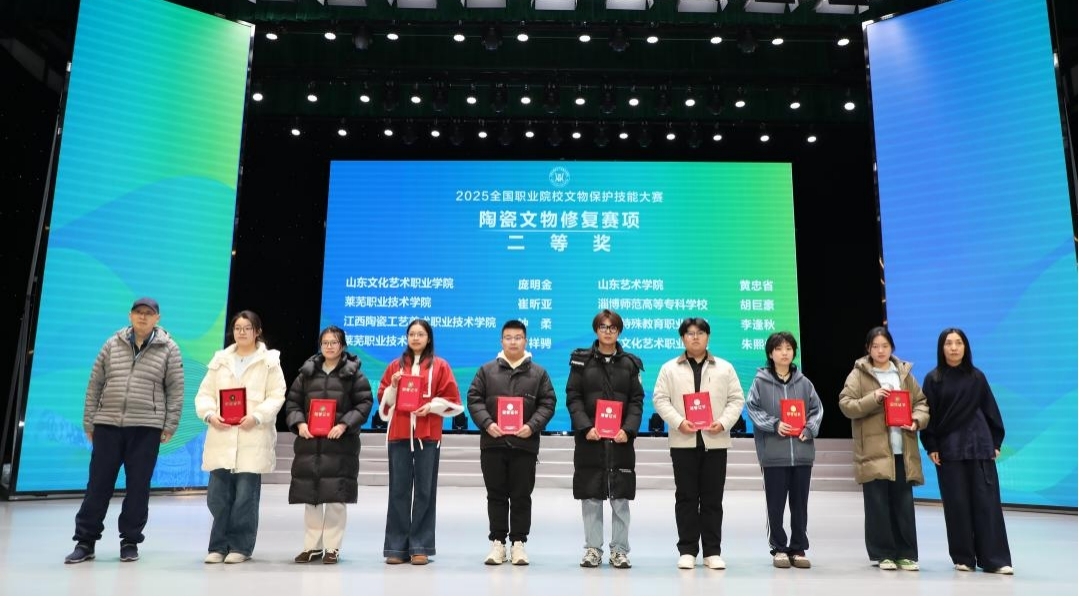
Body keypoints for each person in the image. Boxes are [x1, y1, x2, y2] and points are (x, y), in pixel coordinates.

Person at [65, 297, 184, 564]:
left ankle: (130, 541)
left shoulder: (169, 348)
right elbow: (94, 384)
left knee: (138, 487)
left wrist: (170, 425)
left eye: (148, 313)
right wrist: (89, 422)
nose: (143, 317)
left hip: (146, 428)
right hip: (108, 425)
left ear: (157, 318)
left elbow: (175, 390)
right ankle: (85, 541)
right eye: (138, 312)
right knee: (98, 485)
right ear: (130, 315)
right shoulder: (112, 343)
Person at [652, 317, 746, 570]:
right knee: (686, 498)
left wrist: (723, 423)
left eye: (700, 333)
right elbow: (660, 399)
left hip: (715, 441)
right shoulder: (669, 368)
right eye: (690, 333)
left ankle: (712, 551)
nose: (695, 337)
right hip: (683, 441)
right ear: (682, 338)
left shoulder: (724, 368)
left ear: (708, 337)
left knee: (713, 499)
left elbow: (736, 399)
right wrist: (679, 421)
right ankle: (687, 550)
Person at [194, 310, 287, 564]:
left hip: (252, 436)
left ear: (257, 331)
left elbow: (277, 395)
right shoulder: (220, 360)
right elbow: (204, 394)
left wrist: (257, 416)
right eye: (238, 328)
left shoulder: (269, 361)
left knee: (245, 497)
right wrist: (210, 415)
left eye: (247, 328)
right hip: (222, 436)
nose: (242, 332)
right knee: (217, 496)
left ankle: (240, 546)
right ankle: (218, 546)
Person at [919, 328, 1013, 575]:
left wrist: (995, 442)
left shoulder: (977, 377)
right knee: (957, 505)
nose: (953, 348)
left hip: (980, 448)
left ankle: (995, 559)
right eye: (948, 343)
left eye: (958, 343)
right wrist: (931, 445)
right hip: (949, 451)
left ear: (965, 347)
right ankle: (964, 557)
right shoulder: (933, 379)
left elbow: (991, 410)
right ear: (941, 348)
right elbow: (929, 416)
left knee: (987, 504)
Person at [838, 325, 929, 572]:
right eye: (875, 346)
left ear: (892, 347)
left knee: (903, 504)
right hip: (873, 451)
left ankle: (906, 554)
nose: (880, 351)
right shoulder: (859, 374)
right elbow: (846, 405)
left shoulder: (904, 374)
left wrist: (916, 420)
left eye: (885, 346)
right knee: (877, 505)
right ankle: (883, 554)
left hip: (903, 450)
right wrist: (874, 397)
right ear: (868, 349)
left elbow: (921, 403)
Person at [466, 319, 556, 566]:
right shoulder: (486, 371)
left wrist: (532, 426)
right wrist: (487, 423)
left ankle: (518, 544)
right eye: (508, 337)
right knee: (495, 495)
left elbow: (548, 403)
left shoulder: (538, 373)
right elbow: (474, 398)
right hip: (493, 443)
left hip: (524, 445)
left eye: (518, 337)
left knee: (521, 496)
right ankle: (497, 543)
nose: (513, 342)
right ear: (501, 340)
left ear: (525, 340)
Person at [376, 319, 463, 566]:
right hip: (399, 433)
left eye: (420, 334)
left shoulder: (441, 366)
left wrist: (432, 406)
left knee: (425, 491)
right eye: (412, 334)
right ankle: (396, 547)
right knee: (398, 490)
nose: (415, 338)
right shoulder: (394, 366)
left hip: (428, 435)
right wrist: (393, 387)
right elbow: (384, 400)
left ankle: (420, 547)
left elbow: (453, 400)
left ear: (428, 338)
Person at [284, 325, 373, 565]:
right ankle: (311, 546)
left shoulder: (354, 374)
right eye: (325, 342)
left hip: (340, 445)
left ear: (342, 346)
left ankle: (332, 547)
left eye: (334, 342)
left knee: (335, 497)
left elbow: (364, 403)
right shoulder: (306, 373)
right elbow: (292, 403)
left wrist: (344, 424)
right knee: (311, 496)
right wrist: (299, 423)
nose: (329, 346)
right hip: (310, 444)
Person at [565, 309, 644, 569]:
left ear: (619, 331)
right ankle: (592, 549)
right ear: (596, 330)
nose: (608, 331)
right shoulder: (580, 361)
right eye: (603, 327)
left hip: (620, 441)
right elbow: (573, 397)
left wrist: (628, 430)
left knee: (620, 497)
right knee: (591, 495)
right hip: (590, 440)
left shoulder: (630, 364)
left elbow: (636, 401)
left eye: (612, 327)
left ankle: (620, 550)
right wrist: (585, 427)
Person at [745, 331, 824, 569]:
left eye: (789, 348)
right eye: (779, 349)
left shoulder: (804, 383)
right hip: (773, 454)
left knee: (800, 505)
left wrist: (810, 429)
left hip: (802, 453)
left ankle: (798, 548)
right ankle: (779, 547)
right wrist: (775, 424)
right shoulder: (760, 382)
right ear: (770, 353)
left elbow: (817, 409)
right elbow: (752, 408)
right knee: (775, 505)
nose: (784, 353)